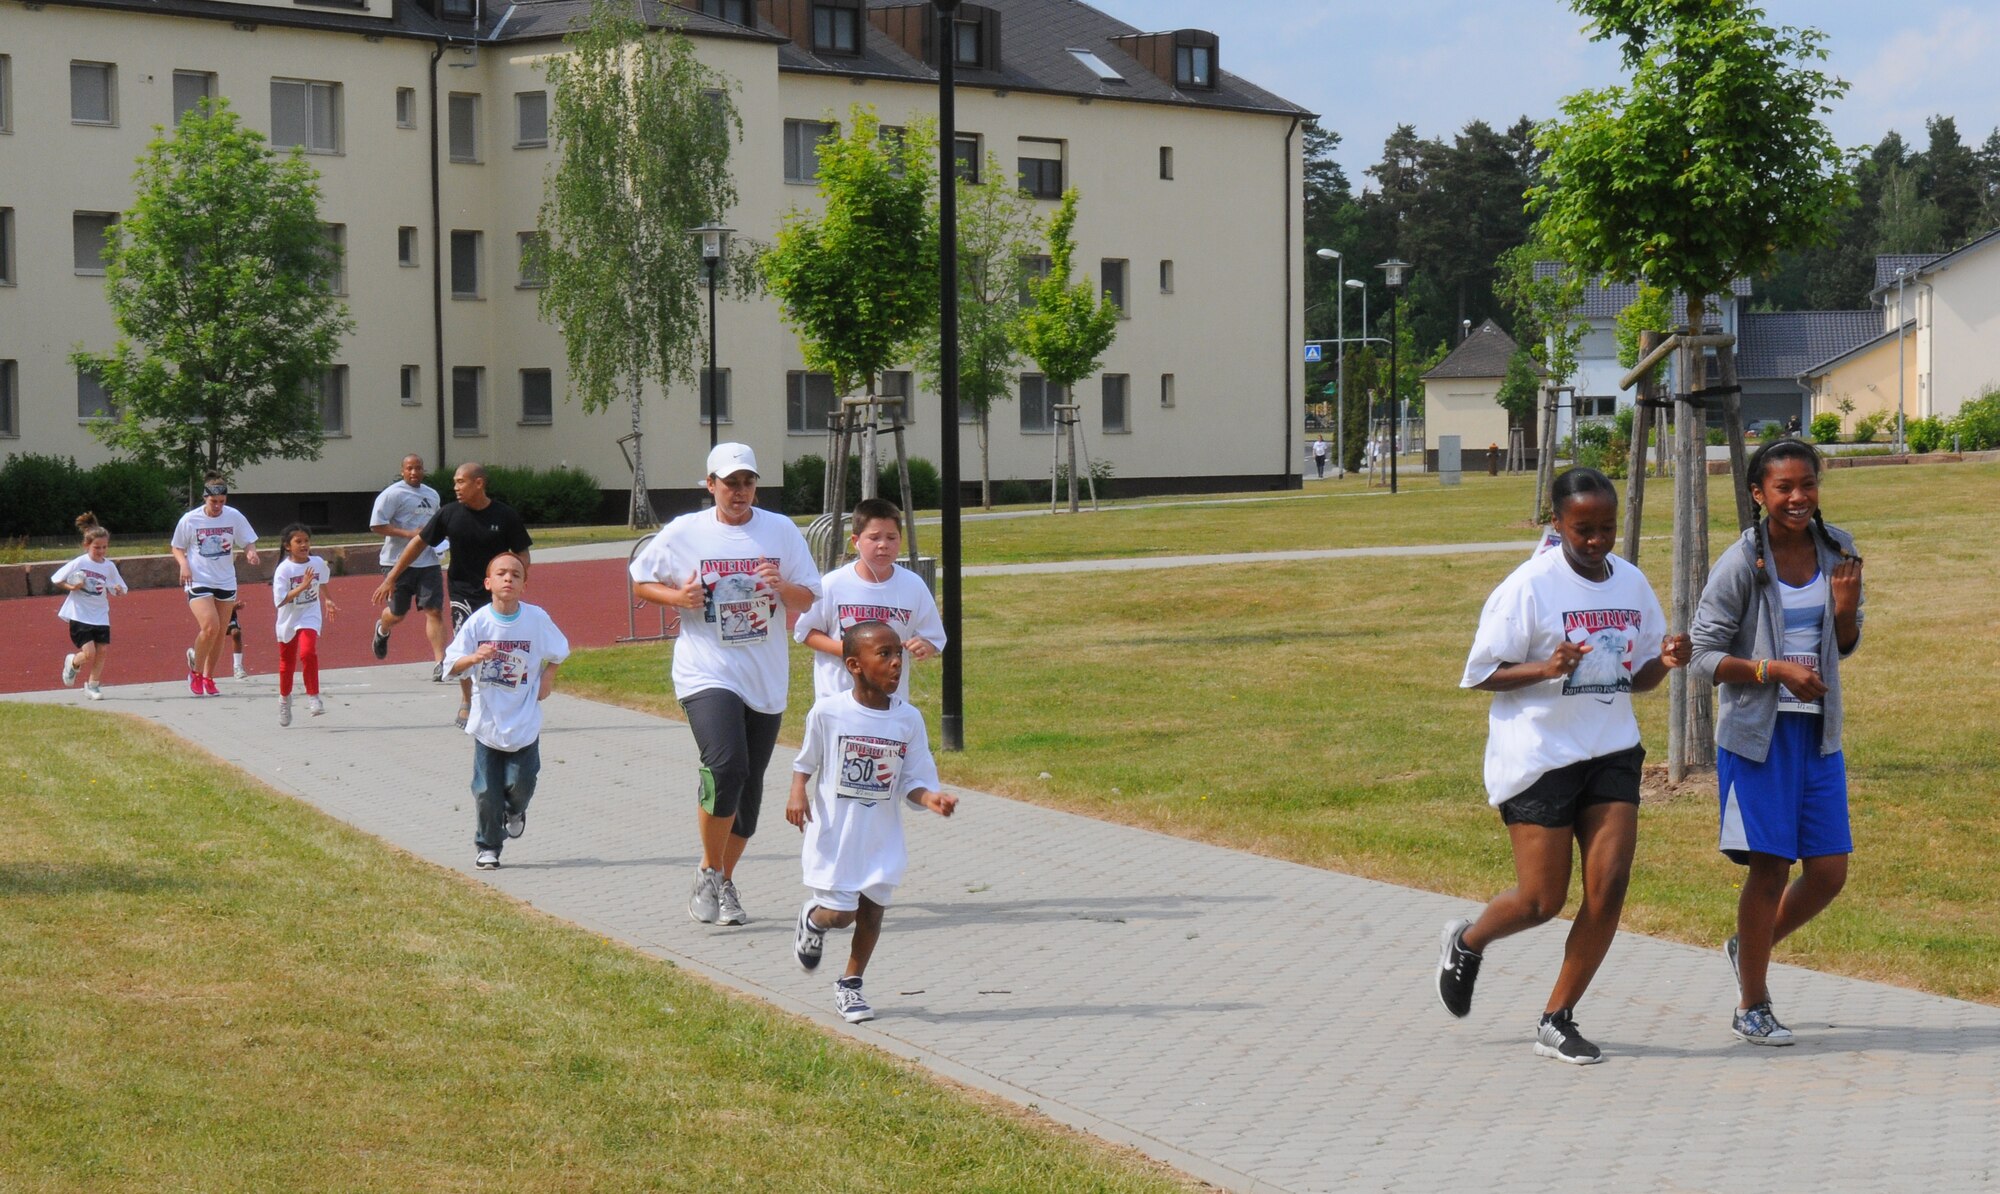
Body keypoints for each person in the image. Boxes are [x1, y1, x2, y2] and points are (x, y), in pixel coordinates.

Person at [1439, 466, 1687, 1065]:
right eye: (1584, 530)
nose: (1598, 540)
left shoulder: (1629, 583)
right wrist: (1547, 668)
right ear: (1558, 524)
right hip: (1541, 758)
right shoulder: (1528, 587)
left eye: (1607, 527)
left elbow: (1641, 676)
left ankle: (1558, 1017)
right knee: (1541, 901)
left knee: (1609, 887)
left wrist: (1668, 658)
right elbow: (1481, 674)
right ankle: (1468, 941)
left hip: (1611, 751)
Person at [1689, 438, 1863, 1047]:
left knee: (1829, 872)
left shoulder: (1839, 548)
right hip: (1756, 738)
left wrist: (1844, 613)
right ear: (1758, 494)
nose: (1797, 498)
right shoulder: (1742, 562)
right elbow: (1703, 656)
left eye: (1807, 485)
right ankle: (1752, 1003)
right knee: (1769, 870)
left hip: (1817, 735)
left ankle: (1748, 947)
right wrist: (1774, 671)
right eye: (1783, 488)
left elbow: (1844, 644)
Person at [630, 442, 822, 927]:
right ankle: (710, 873)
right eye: (729, 483)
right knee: (726, 766)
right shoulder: (686, 532)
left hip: (765, 675)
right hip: (706, 670)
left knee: (750, 790)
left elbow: (808, 598)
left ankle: (721, 877)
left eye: (747, 482)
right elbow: (640, 581)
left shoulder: (779, 531)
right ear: (710, 485)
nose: (739, 492)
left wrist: (781, 586)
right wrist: (679, 596)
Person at [785, 621, 958, 1023]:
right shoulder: (828, 712)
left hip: (880, 835)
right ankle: (813, 918)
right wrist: (797, 792)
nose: (897, 662)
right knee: (841, 915)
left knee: (873, 911)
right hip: (836, 835)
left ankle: (851, 984)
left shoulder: (908, 719)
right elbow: (806, 761)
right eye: (884, 655)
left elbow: (914, 778)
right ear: (854, 665)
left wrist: (930, 797)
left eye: (898, 653)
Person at [373, 462, 532, 729]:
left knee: (500, 647)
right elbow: (417, 543)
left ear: (479, 483)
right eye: (455, 482)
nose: (456, 487)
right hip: (462, 591)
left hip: (495, 594)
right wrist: (392, 577)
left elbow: (523, 554)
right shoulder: (449, 514)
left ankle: (502, 703)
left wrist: (517, 579)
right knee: (467, 646)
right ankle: (467, 701)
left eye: (461, 482)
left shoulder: (505, 516)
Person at [444, 552, 568, 870]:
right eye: (501, 573)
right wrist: (474, 658)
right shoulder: (478, 623)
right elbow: (450, 665)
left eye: (516, 574)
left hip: (524, 720)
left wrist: (548, 678)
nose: (508, 578)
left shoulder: (536, 619)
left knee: (521, 783)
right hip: (488, 721)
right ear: (488, 583)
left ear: (524, 585)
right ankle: (488, 846)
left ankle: (515, 810)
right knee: (486, 790)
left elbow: (561, 650)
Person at [794, 498, 946, 703]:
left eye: (891, 537)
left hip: (890, 702)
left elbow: (934, 637)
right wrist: (849, 650)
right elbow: (806, 632)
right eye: (874, 538)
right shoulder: (833, 584)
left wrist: (925, 646)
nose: (883, 545)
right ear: (856, 541)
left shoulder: (913, 585)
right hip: (838, 698)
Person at [170, 474, 259, 697]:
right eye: (214, 502)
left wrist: (251, 552)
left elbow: (248, 540)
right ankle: (196, 673)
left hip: (225, 580)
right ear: (205, 499)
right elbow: (177, 547)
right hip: (198, 579)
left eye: (222, 501)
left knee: (220, 632)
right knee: (210, 626)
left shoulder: (234, 516)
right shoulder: (190, 520)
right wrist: (184, 565)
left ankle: (209, 677)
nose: (218, 506)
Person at [368, 454, 448, 681]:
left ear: (423, 470)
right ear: (402, 471)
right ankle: (382, 629)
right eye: (409, 469)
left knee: (434, 610)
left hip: (429, 562)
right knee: (397, 613)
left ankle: (440, 662)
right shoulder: (392, 494)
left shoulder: (432, 495)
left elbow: (437, 525)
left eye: (418, 468)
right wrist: (409, 535)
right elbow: (377, 525)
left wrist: (442, 541)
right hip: (396, 562)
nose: (414, 472)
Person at [52, 513, 128, 700]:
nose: (101, 551)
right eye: (96, 547)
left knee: (102, 651)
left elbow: (121, 588)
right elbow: (56, 579)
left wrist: (118, 589)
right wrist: (72, 587)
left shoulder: (108, 567)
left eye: (104, 547)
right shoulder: (80, 562)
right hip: (79, 613)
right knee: (89, 653)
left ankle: (93, 685)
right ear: (87, 546)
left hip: (100, 614)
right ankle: (73, 662)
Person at [271, 523, 335, 727]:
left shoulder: (317, 562)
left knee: (307, 653)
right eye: (298, 541)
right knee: (286, 663)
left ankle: (313, 697)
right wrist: (302, 586)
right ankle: (284, 699)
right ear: (287, 546)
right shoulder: (284, 569)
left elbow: (322, 581)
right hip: (288, 617)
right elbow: (280, 601)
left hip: (309, 614)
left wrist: (328, 600)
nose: (304, 544)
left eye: (306, 540)